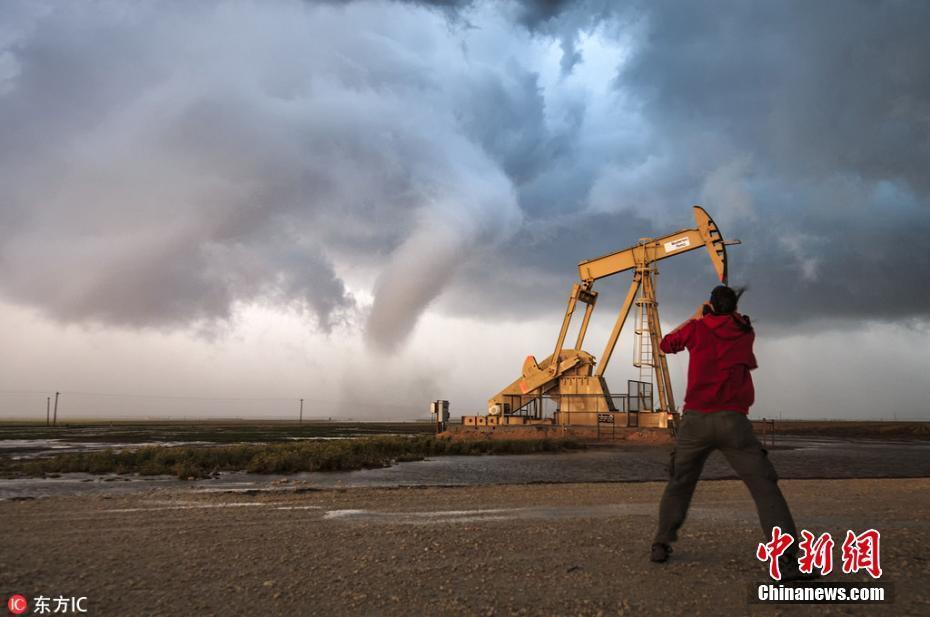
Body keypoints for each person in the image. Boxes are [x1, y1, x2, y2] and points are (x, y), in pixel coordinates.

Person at [650, 285, 811, 580]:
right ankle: (788, 562)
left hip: (696, 420)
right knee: (764, 487)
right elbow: (736, 323)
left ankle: (661, 543)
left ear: (710, 305)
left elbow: (666, 344)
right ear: (734, 308)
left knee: (680, 483)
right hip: (734, 423)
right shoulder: (744, 332)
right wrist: (727, 314)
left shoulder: (697, 329)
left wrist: (695, 317)